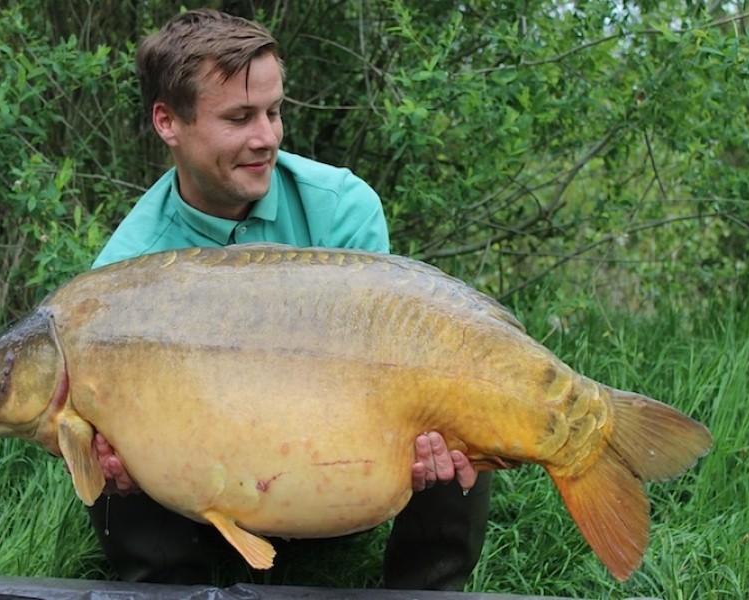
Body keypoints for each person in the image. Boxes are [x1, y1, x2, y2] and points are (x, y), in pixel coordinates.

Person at [87, 8, 492, 591]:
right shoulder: (123, 275)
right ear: (167, 121)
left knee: (458, 407)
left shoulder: (344, 206)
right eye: (239, 118)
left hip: (339, 477)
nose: (267, 138)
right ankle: (172, 584)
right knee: (94, 444)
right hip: (199, 496)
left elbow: (383, 374)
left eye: (274, 112)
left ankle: (425, 589)